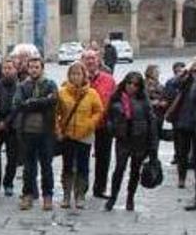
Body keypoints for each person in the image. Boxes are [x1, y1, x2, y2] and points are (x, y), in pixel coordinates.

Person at [104, 72, 157, 211]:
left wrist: (153, 147)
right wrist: (112, 129)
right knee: (119, 169)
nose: (132, 87)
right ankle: (113, 197)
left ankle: (130, 198)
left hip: (139, 140)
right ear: (124, 83)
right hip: (122, 139)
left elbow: (151, 122)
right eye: (129, 83)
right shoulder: (116, 98)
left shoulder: (143, 101)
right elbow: (108, 116)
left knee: (135, 171)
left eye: (135, 85)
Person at [13, 56, 59, 211]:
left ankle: (48, 196)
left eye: (36, 67)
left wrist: (32, 102)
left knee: (46, 165)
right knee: (29, 167)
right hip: (27, 131)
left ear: (42, 68)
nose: (33, 70)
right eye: (31, 67)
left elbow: (52, 101)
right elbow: (18, 103)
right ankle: (28, 194)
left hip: (45, 131)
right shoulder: (22, 86)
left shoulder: (50, 84)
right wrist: (40, 102)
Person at [56, 62, 103, 210]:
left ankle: (80, 195)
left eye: (78, 74)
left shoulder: (92, 93)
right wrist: (57, 129)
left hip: (85, 134)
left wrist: (90, 124)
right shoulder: (62, 92)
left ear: (84, 76)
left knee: (83, 165)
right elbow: (55, 112)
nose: (75, 77)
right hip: (68, 134)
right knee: (67, 165)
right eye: (72, 74)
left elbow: (98, 111)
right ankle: (66, 194)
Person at [82, 49, 116, 199]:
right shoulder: (76, 78)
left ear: (98, 61)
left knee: (103, 157)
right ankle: (81, 189)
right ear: (82, 61)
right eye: (87, 59)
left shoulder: (109, 79)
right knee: (81, 158)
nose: (90, 61)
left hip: (104, 123)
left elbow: (115, 100)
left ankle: (100, 188)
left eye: (93, 58)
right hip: (83, 124)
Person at [0, 58, 20, 197]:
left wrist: (6, 122)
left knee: (12, 157)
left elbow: (17, 107)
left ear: (15, 70)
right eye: (5, 68)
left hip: (12, 125)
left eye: (10, 68)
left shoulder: (20, 87)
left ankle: (8, 183)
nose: (7, 71)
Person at [168, 61, 196, 192]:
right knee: (181, 153)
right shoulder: (187, 80)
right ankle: (181, 178)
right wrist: (187, 69)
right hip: (183, 122)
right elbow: (173, 83)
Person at [164, 61, 190, 170]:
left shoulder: (190, 82)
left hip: (189, 114)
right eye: (178, 70)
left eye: (181, 70)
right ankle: (178, 156)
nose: (180, 73)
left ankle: (188, 157)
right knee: (177, 137)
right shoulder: (171, 82)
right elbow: (169, 96)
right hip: (177, 115)